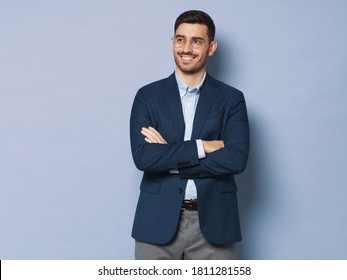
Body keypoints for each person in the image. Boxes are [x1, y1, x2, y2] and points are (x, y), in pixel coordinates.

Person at [130, 10, 249, 260]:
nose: (186, 48)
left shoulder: (232, 99)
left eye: (197, 41)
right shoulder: (147, 96)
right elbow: (144, 158)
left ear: (211, 47)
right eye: (180, 39)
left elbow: (236, 159)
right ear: (172, 42)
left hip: (216, 223)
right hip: (156, 222)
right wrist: (202, 146)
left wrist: (170, 158)